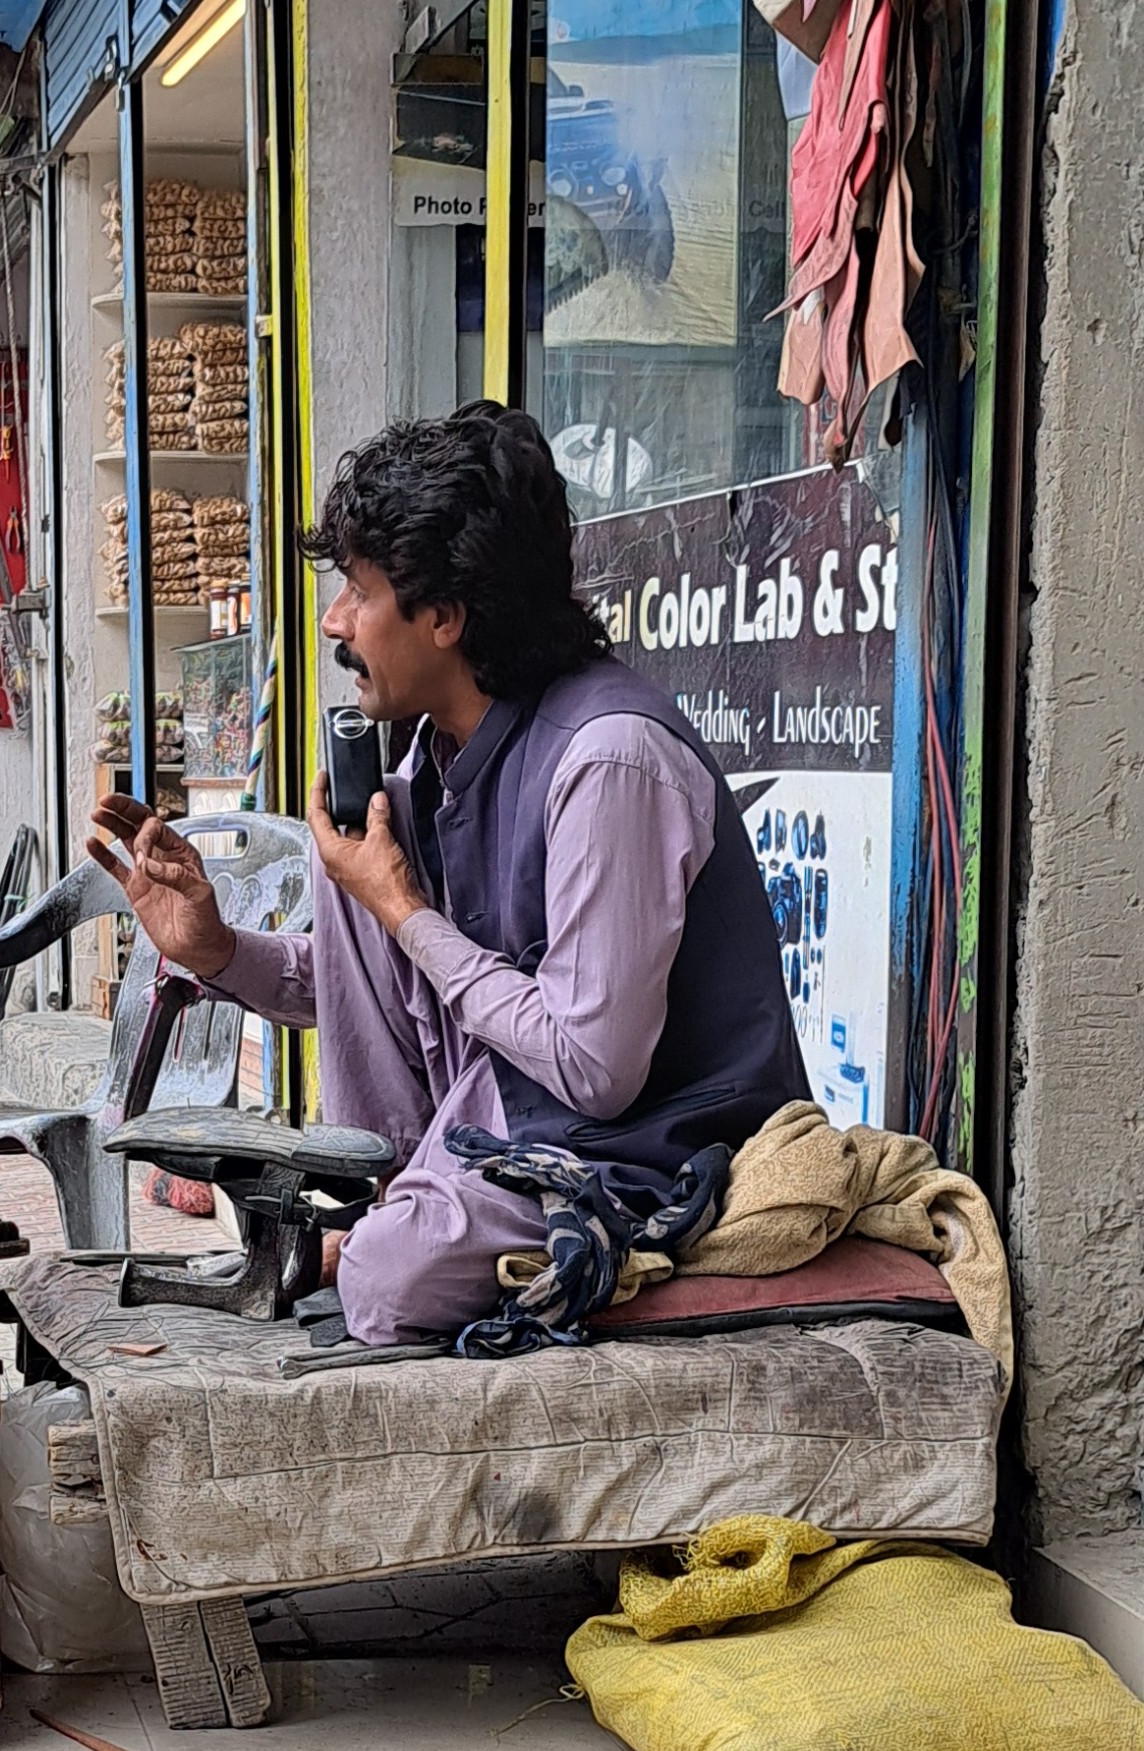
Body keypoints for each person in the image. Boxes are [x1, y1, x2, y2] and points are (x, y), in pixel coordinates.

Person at [88, 402, 807, 1347]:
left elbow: (594, 1069)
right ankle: (386, 1191)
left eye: (358, 588)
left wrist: (403, 907)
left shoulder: (609, 761)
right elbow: (381, 979)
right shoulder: (435, 758)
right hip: (513, 1111)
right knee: (349, 855)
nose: (336, 622)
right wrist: (217, 948)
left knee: (386, 1286)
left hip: (646, 1144)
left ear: (446, 616)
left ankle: (397, 1223)